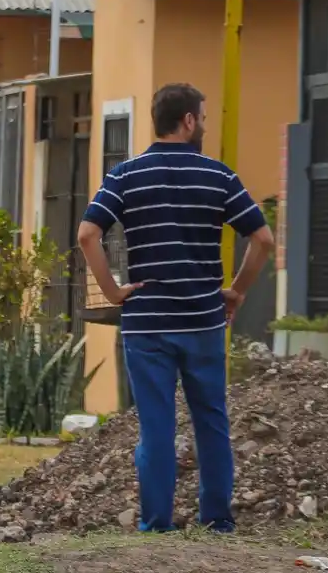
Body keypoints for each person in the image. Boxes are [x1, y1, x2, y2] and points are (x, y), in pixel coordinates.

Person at [77, 82, 275, 534]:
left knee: (156, 427)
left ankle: (157, 523)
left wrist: (112, 291)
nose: (203, 124)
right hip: (203, 320)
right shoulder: (218, 176)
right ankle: (217, 519)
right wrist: (236, 291)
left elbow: (88, 234)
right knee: (211, 420)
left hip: (147, 323)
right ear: (188, 121)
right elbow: (262, 239)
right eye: (202, 117)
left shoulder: (124, 176)